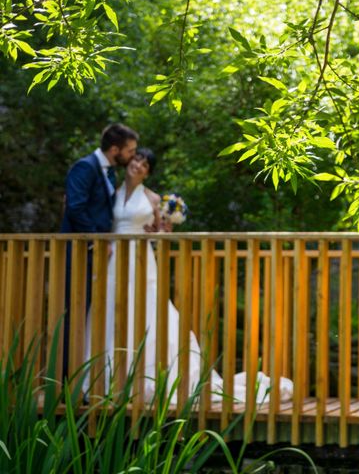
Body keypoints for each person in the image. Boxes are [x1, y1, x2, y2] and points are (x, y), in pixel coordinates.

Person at [85, 148, 293, 405]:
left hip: (140, 257)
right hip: (115, 259)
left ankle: (145, 378)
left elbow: (161, 233)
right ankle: (107, 378)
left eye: (145, 165)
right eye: (137, 159)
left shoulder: (151, 199)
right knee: (111, 309)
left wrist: (164, 230)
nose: (138, 165)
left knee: (147, 308)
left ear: (148, 172)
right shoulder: (111, 194)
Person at [61, 123, 139, 378]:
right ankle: (65, 382)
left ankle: (87, 379)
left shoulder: (110, 174)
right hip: (79, 252)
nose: (131, 156)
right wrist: (96, 240)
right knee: (73, 315)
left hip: (99, 257)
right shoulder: (85, 168)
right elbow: (76, 208)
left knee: (91, 317)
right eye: (129, 151)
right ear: (115, 149)